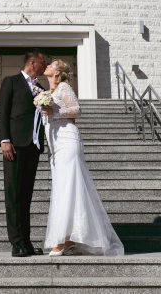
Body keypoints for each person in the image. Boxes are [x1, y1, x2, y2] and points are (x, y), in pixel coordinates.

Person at [40, 59, 124, 256]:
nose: (48, 66)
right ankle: (68, 239)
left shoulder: (64, 87)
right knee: (63, 187)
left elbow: (77, 110)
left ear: (58, 73)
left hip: (68, 139)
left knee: (68, 186)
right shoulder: (48, 92)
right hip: (56, 143)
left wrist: (55, 111)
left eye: (52, 65)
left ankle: (61, 240)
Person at [0, 50, 48, 257]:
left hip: (33, 147)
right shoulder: (11, 81)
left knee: (26, 196)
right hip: (15, 146)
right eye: (44, 63)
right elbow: (2, 112)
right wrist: (5, 140)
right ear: (33, 63)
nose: (46, 67)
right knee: (14, 195)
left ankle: (26, 242)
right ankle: (16, 243)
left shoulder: (41, 88)